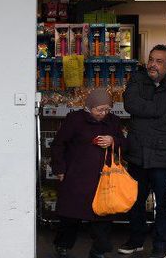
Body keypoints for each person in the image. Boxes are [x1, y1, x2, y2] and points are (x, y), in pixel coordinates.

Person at [51, 88, 127, 258]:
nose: (103, 113)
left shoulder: (113, 121)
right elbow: (58, 144)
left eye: (107, 109)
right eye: (99, 109)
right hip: (77, 177)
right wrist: (60, 168)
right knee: (70, 216)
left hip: (104, 179)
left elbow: (124, 143)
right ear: (89, 107)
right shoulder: (75, 120)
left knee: (102, 217)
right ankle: (63, 244)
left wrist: (113, 140)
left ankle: (98, 250)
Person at [118, 45, 166, 258]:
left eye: (159, 61)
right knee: (135, 200)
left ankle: (160, 246)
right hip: (138, 151)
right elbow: (130, 104)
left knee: (162, 204)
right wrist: (158, 110)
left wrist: (147, 109)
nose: (152, 64)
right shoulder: (137, 79)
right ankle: (136, 240)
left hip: (163, 154)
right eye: (151, 59)